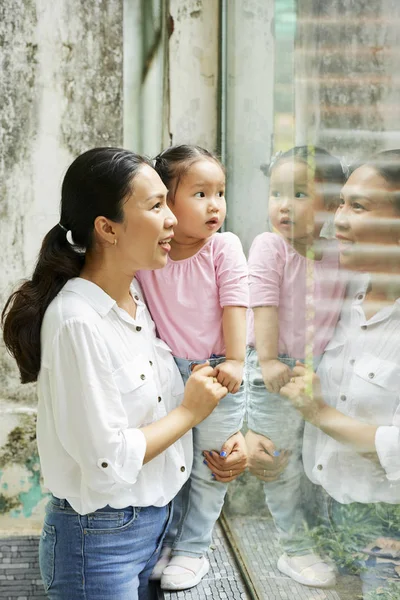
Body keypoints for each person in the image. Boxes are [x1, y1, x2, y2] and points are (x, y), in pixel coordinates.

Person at [1, 147, 240, 600]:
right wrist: (191, 413)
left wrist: (227, 434)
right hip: (99, 545)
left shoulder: (137, 295)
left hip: (156, 531)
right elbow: (107, 462)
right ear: (107, 228)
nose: (172, 218)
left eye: (168, 202)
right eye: (155, 205)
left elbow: (165, 395)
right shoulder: (77, 321)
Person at [280, 149, 400, 597]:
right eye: (342, 203)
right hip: (320, 520)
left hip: (388, 532)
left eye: (359, 206)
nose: (338, 221)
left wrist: (317, 412)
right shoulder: (342, 295)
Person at [136, 144, 248, 591]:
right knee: (173, 463)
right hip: (169, 372)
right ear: (165, 202)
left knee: (209, 466)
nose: (215, 204)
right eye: (200, 193)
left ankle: (194, 549)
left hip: (220, 370)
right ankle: (172, 541)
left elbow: (234, 303)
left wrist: (237, 360)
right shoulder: (151, 256)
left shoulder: (223, 247)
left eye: (220, 192)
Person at [245, 146, 346, 587]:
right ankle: (294, 548)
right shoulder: (271, 247)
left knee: (317, 461)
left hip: (318, 372)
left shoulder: (339, 252)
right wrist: (267, 361)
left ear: (330, 205)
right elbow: (263, 305)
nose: (283, 205)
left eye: (299, 193)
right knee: (279, 463)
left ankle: (324, 538)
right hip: (275, 369)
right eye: (276, 193)